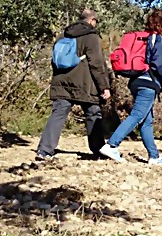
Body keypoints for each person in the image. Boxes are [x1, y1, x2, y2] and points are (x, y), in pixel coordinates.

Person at [99, 10, 162, 164]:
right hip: (149, 83)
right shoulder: (157, 38)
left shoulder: (142, 37)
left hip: (136, 81)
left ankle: (154, 156)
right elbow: (159, 64)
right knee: (138, 115)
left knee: (146, 121)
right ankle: (112, 145)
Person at [36, 9, 111, 161]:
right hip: (85, 83)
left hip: (61, 81)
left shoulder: (62, 36)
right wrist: (104, 86)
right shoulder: (91, 37)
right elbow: (97, 64)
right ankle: (98, 150)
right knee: (93, 113)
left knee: (58, 114)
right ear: (92, 21)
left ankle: (44, 150)